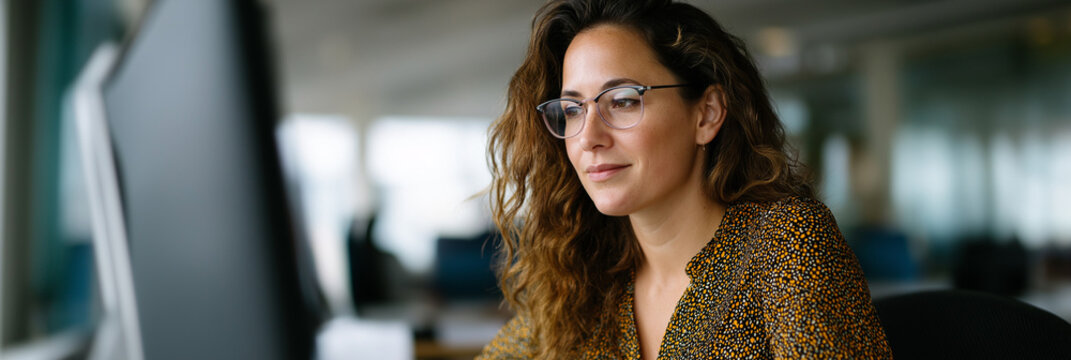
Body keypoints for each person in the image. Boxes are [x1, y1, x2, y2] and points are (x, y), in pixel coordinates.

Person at [479, 0, 891, 358]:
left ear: (707, 113)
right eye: (572, 109)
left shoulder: (786, 242)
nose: (588, 137)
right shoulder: (586, 282)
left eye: (622, 101)